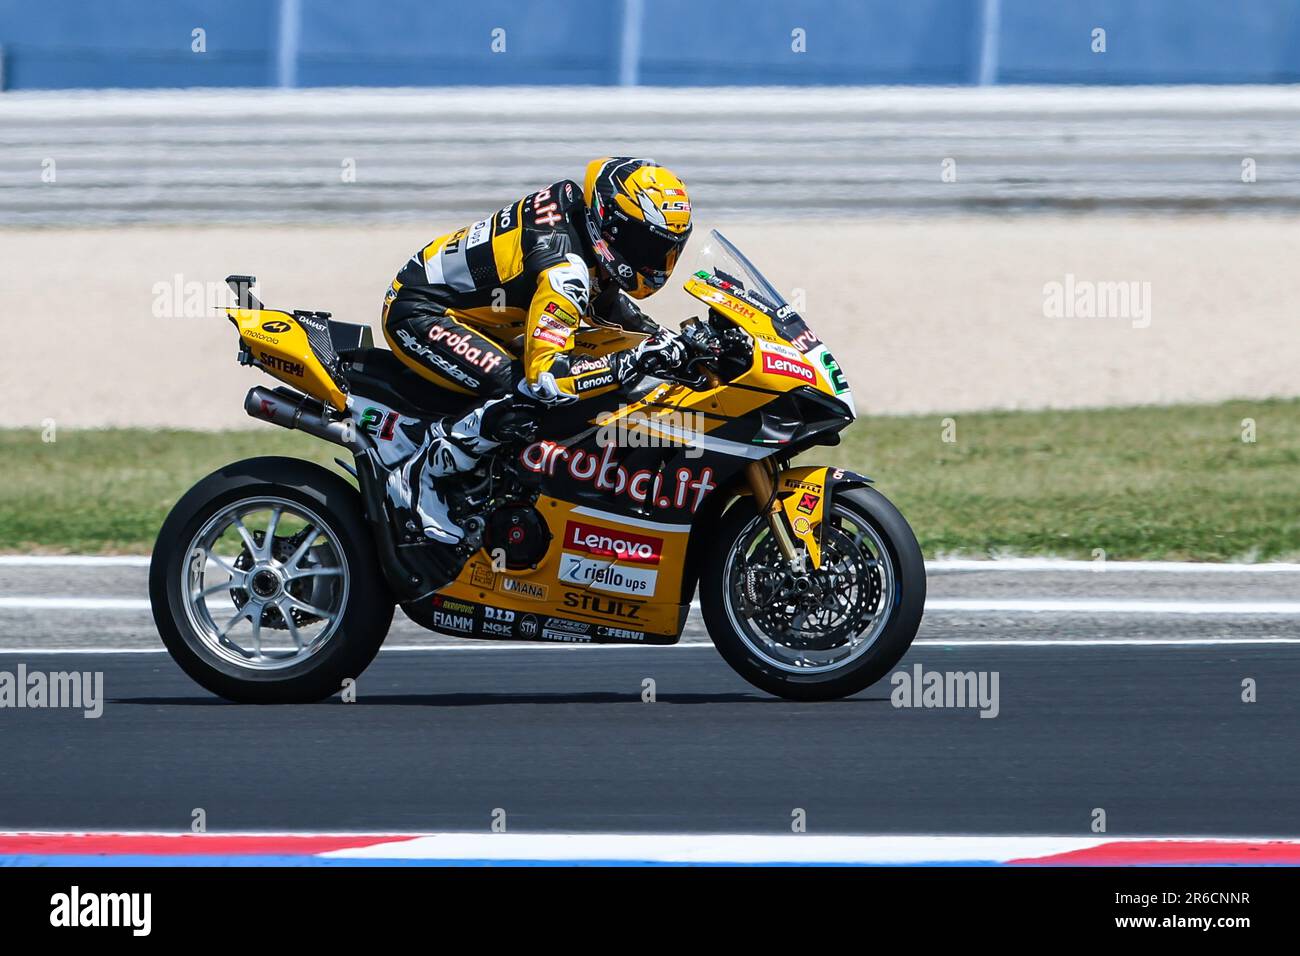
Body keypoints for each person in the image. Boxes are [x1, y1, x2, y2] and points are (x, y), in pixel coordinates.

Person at [381, 157, 694, 543]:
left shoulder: (581, 221)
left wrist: (666, 341)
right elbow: (547, 377)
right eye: (647, 245)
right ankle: (421, 475)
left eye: (668, 251)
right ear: (611, 225)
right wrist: (632, 361)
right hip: (422, 313)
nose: (657, 262)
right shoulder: (563, 269)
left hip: (480, 314)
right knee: (528, 394)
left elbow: (604, 300)